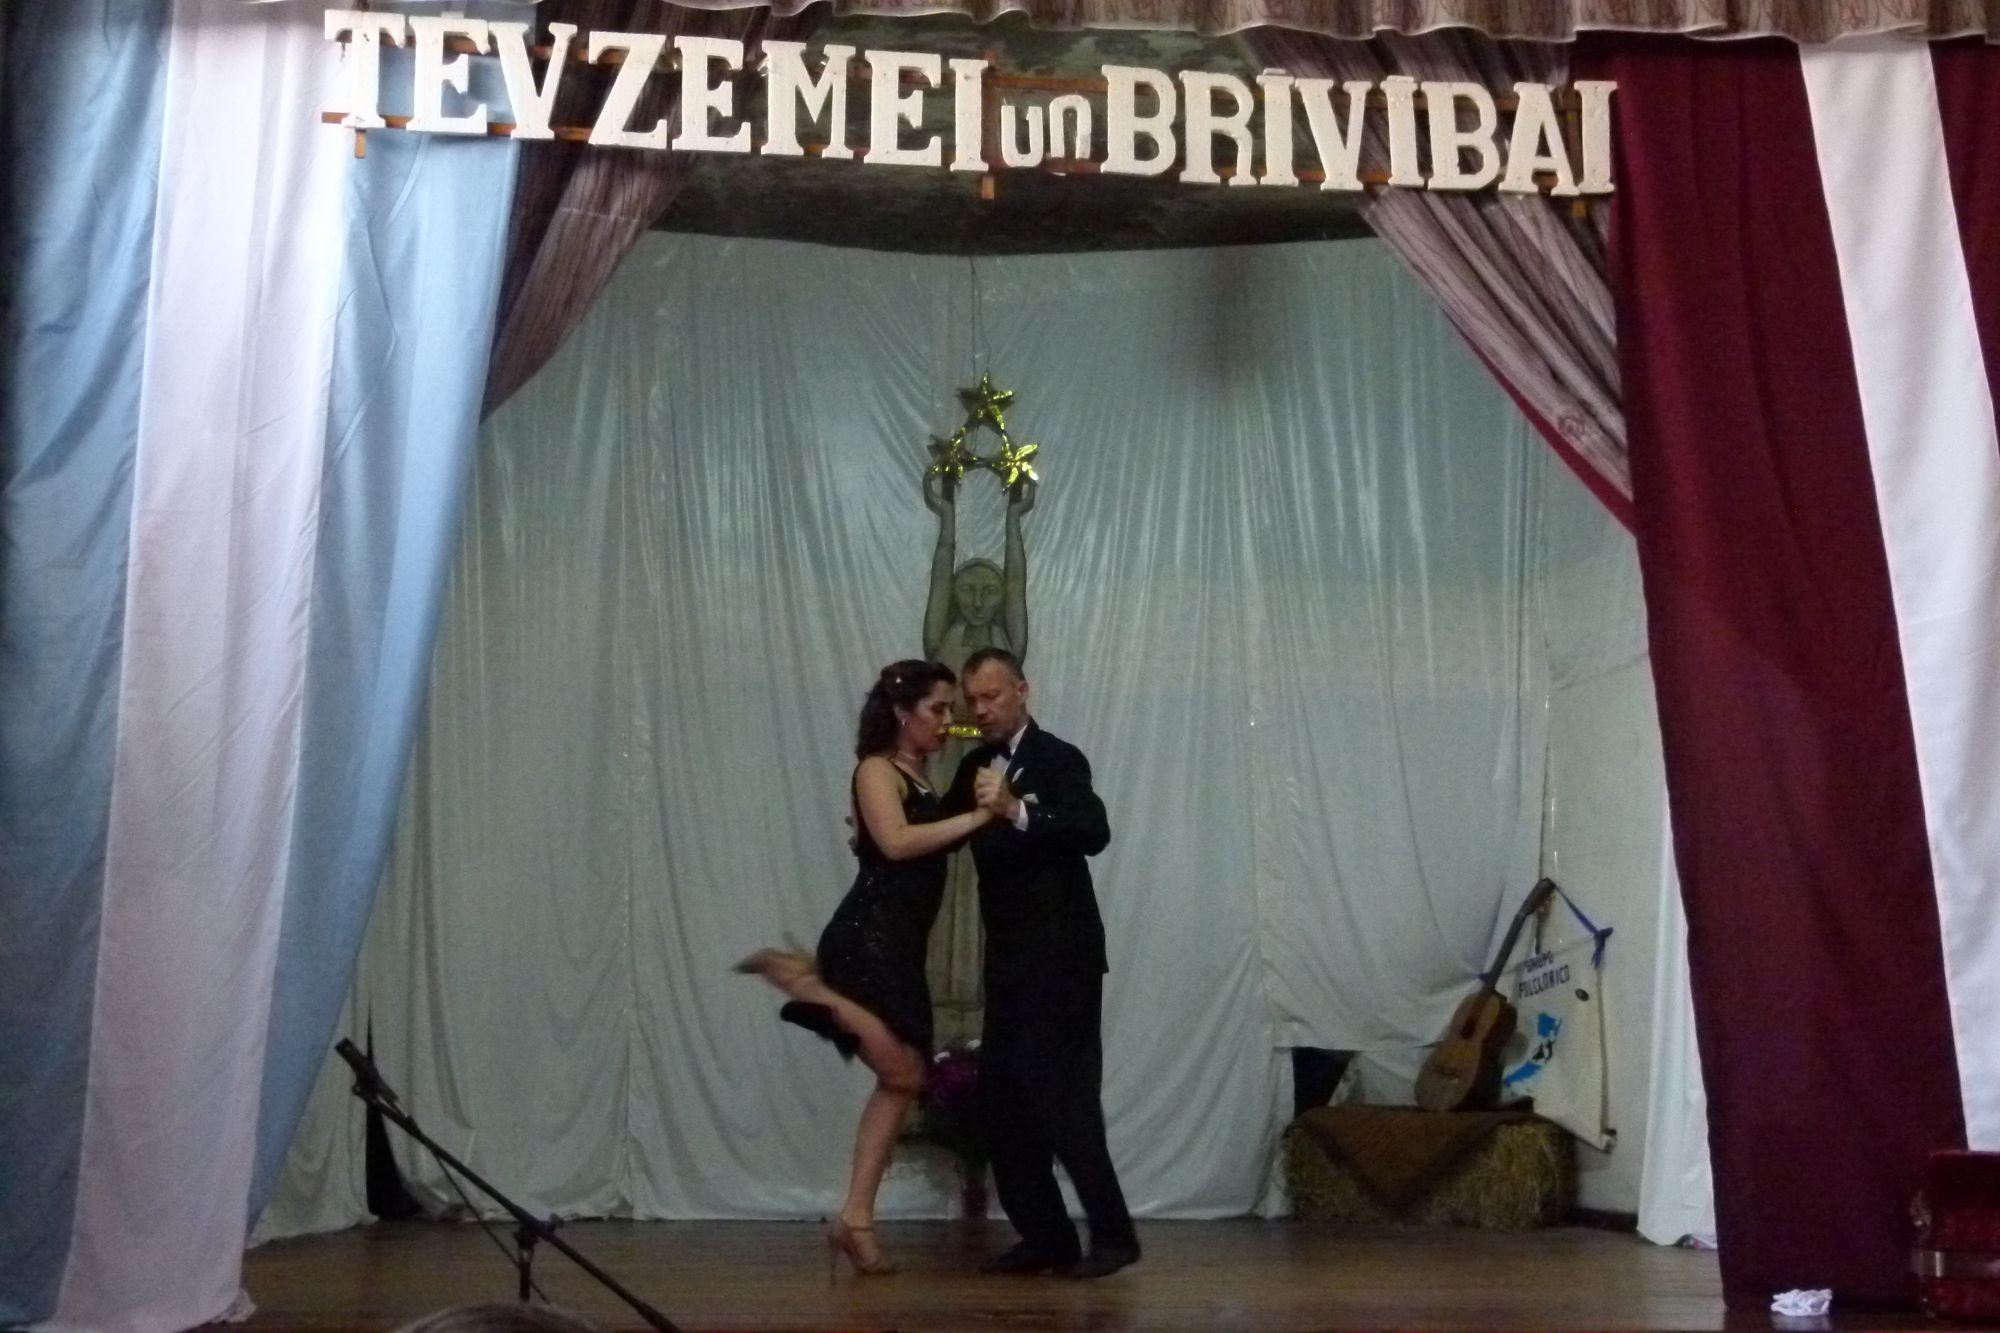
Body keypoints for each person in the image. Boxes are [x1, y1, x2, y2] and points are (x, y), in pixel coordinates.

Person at [735, 659, 996, 1276]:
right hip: (868, 940)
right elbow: (899, 843)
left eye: (952, 709)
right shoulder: (877, 769)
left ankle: (854, 1218)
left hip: (901, 944)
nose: (949, 720)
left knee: (904, 1078)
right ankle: (808, 984)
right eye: (937, 709)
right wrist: (982, 815)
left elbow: (964, 733)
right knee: (904, 1071)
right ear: (902, 713)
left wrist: (981, 725)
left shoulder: (918, 769)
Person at [942, 647, 1139, 1279]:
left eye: (991, 696)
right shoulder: (974, 762)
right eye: (973, 699)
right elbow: (938, 828)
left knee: (1066, 1100)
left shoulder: (1058, 758)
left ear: (1022, 691)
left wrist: (1017, 810)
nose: (980, 709)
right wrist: (878, 826)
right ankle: (1047, 1238)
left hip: (1063, 960)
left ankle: (1114, 1237)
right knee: (1002, 1100)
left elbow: (1093, 830)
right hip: (1009, 962)